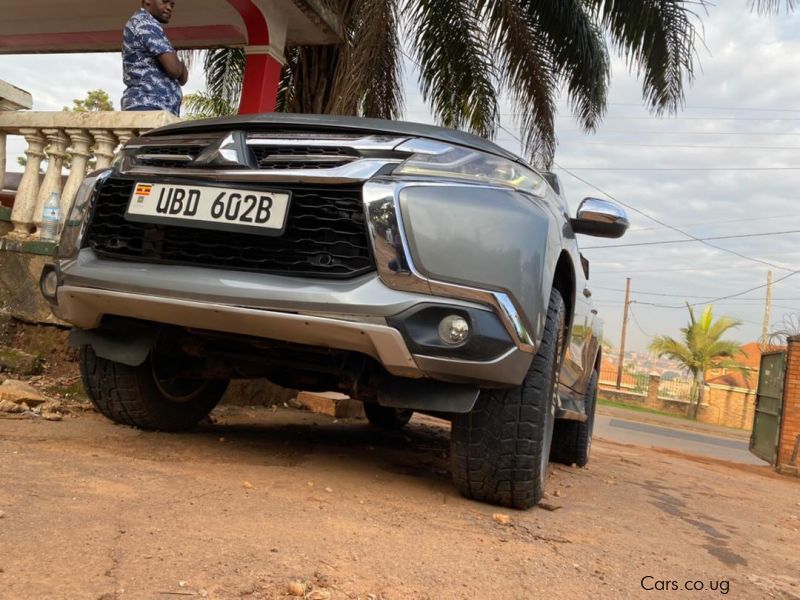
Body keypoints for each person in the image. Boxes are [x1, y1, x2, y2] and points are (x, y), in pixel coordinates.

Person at [121, 0, 188, 116]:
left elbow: (183, 79)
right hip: (147, 108)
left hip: (155, 110)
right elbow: (175, 70)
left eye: (172, 4)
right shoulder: (145, 23)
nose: (169, 8)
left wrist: (177, 65)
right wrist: (180, 64)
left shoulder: (150, 25)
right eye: (164, 2)